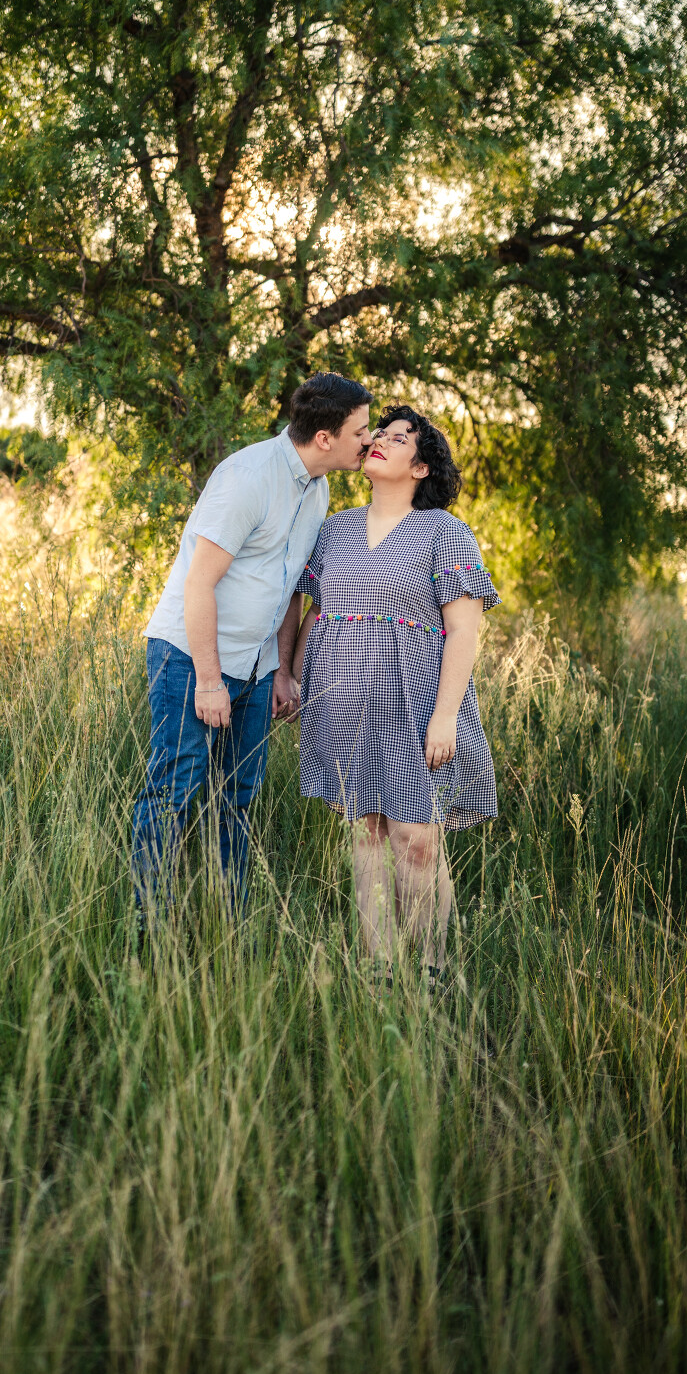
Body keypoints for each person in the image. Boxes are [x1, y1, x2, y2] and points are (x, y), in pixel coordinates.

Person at [131, 372, 374, 924]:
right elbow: (199, 584)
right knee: (174, 790)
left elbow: (289, 587)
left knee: (238, 796)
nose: (370, 440)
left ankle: (227, 920)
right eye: (360, 431)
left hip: (259, 667)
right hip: (192, 659)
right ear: (325, 438)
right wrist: (209, 681)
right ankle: (149, 928)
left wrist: (282, 671)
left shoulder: (317, 486)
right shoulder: (247, 477)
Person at [291, 405, 500, 986]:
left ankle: (433, 972)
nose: (380, 440)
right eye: (378, 433)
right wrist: (293, 679)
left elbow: (463, 630)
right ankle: (378, 968)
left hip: (417, 702)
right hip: (342, 701)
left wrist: (446, 716)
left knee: (417, 840)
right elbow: (316, 614)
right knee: (367, 834)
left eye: (399, 438)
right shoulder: (334, 530)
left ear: (420, 468)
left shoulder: (445, 533)